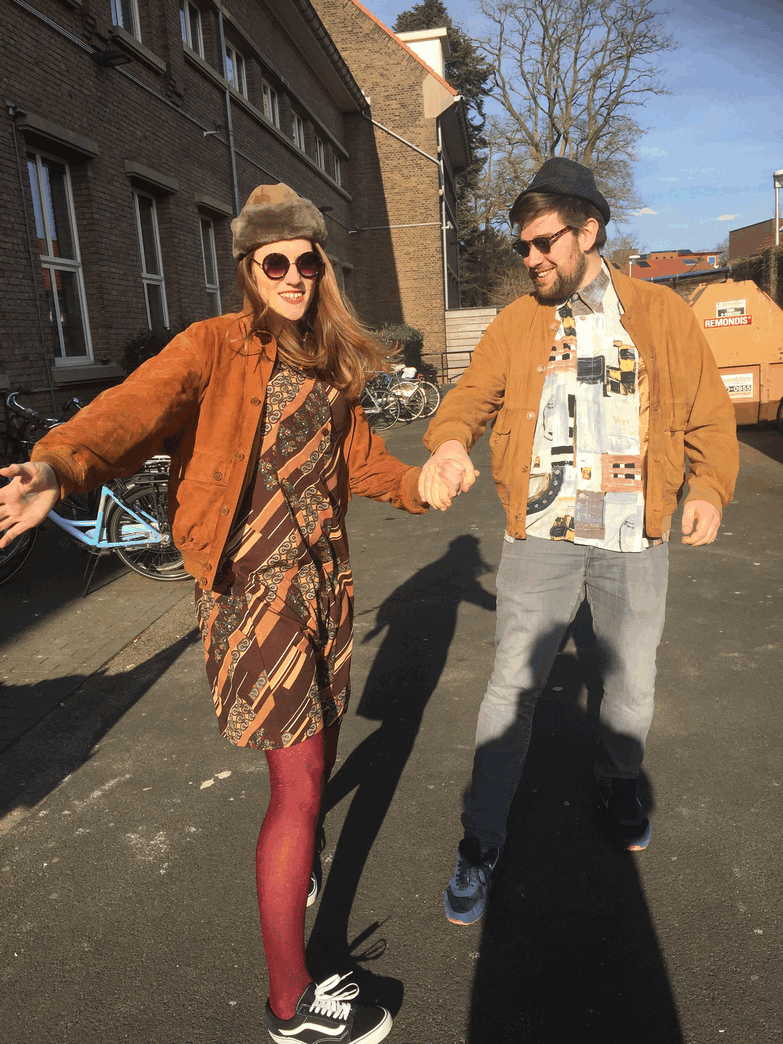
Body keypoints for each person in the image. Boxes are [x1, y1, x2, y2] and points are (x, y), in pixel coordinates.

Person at [0, 184, 444, 1043]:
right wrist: (56, 467)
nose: (292, 275)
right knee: (298, 786)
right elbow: (128, 411)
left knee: (320, 752)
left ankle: (296, 865)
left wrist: (424, 482)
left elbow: (363, 463)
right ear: (247, 268)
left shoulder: (330, 361)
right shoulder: (211, 346)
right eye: (274, 262)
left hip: (323, 583)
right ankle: (290, 1004)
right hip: (252, 593)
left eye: (305, 260)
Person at [419, 157, 739, 926]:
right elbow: (470, 395)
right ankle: (480, 837)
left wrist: (708, 487)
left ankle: (618, 781)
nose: (530, 257)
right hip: (543, 535)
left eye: (543, 243)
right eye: (522, 246)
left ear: (588, 230)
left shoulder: (661, 313)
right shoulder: (515, 322)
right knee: (511, 687)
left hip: (634, 534)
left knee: (629, 682)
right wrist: (450, 441)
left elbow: (707, 411)